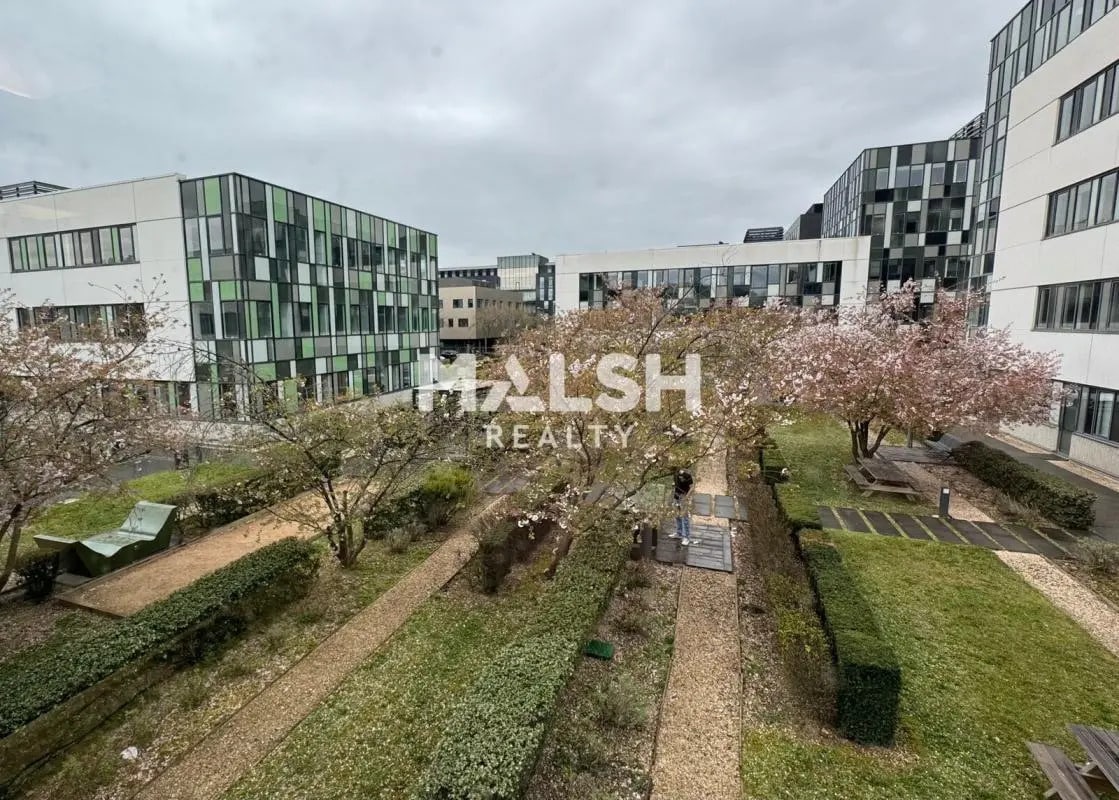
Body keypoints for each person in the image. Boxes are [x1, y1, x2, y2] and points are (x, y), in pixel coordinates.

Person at [669, 468, 694, 546]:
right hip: (676, 496)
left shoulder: (687, 475)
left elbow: (692, 487)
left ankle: (686, 537)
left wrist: (687, 497)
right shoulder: (675, 473)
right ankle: (679, 533)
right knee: (677, 515)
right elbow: (676, 483)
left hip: (683, 496)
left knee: (684, 516)